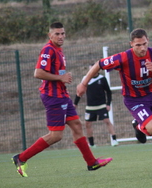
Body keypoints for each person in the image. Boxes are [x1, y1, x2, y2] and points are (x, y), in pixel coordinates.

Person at [11, 22, 112, 177]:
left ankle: (91, 162)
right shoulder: (48, 50)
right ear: (49, 35)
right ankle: (21, 158)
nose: (60, 36)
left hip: (62, 95)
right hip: (53, 97)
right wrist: (60, 77)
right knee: (56, 135)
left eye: (63, 33)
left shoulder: (59, 50)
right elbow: (38, 73)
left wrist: (62, 79)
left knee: (77, 126)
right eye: (57, 34)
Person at [77, 28, 152, 168]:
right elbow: (99, 64)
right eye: (138, 45)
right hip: (134, 99)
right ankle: (138, 125)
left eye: (144, 44)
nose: (142, 48)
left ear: (148, 41)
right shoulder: (123, 57)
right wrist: (83, 83)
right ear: (131, 44)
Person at [74, 64, 119, 147]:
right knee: (87, 124)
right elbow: (80, 91)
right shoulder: (85, 79)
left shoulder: (102, 79)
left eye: (93, 69)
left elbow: (108, 92)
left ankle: (114, 139)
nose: (91, 71)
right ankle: (91, 144)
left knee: (107, 121)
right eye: (90, 70)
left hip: (101, 105)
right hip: (90, 106)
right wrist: (75, 103)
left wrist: (108, 104)